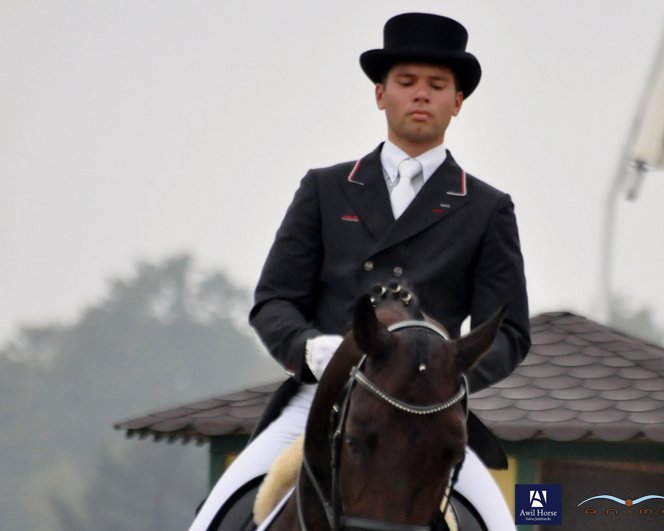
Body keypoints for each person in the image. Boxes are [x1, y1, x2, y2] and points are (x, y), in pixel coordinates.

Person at [189, 12, 530, 531]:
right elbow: (274, 301)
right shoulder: (325, 189)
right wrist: (309, 350)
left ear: (457, 102)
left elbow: (509, 334)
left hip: (427, 413)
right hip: (320, 401)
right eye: (407, 82)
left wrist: (444, 372)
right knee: (212, 517)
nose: (421, 94)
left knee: (500, 524)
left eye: (437, 85)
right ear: (380, 94)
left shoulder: (487, 208)